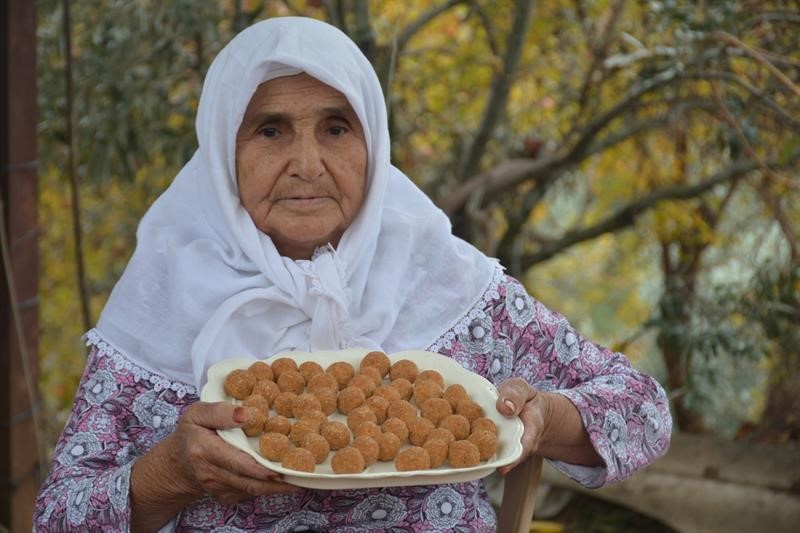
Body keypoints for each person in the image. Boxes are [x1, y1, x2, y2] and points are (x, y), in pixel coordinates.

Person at [34, 16, 671, 532]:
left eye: (336, 128)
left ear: (373, 146)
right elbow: (58, 516)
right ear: (224, 152)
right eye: (270, 130)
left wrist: (543, 419)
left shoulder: (446, 283)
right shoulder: (166, 293)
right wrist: (170, 472)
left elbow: (644, 411)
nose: (306, 163)